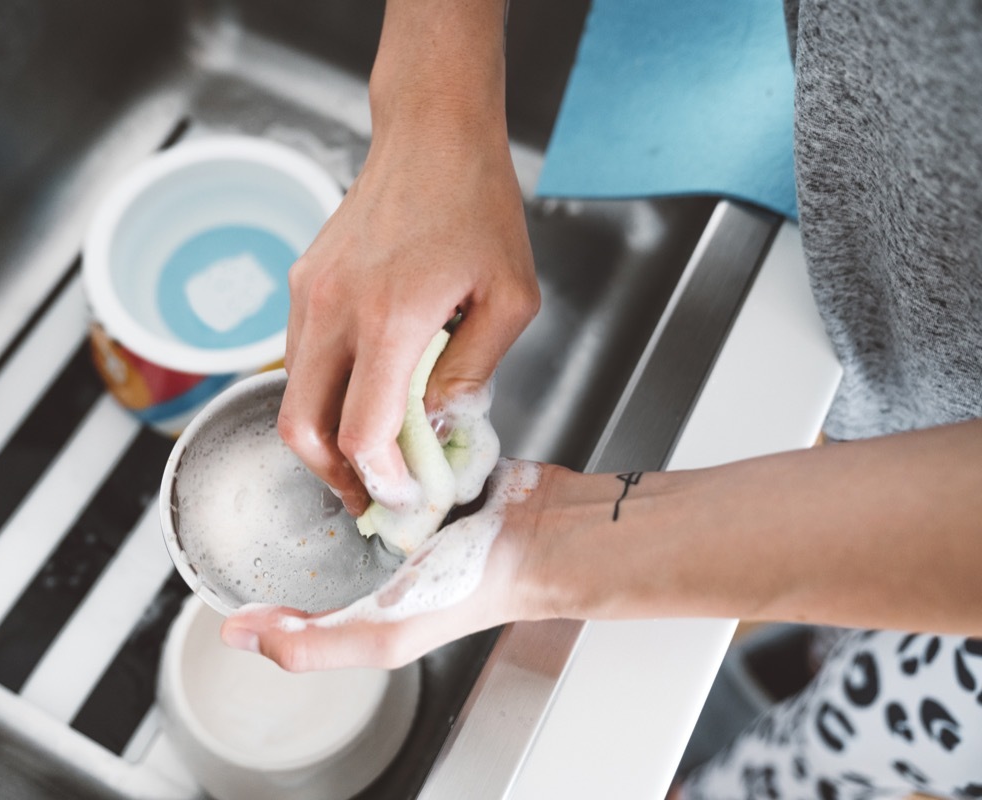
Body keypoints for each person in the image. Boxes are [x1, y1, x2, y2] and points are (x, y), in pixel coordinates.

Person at [219, 0, 982, 796]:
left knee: (845, 745)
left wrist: (549, 544)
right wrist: (430, 110)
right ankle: (825, 650)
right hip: (902, 347)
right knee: (854, 630)